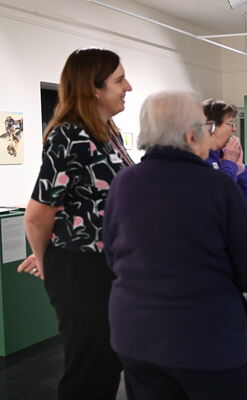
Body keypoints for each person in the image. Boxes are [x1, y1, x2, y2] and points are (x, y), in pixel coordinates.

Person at [102, 91, 247, 400]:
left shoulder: (123, 184)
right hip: (205, 339)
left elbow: (113, 258)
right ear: (191, 134)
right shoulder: (217, 186)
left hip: (135, 337)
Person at [17, 48, 133, 399]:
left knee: (109, 363)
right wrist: (45, 260)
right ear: (94, 89)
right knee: (90, 370)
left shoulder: (108, 132)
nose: (129, 86)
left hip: (110, 266)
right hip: (83, 271)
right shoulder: (71, 136)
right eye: (119, 79)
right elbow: (38, 214)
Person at [202, 98, 247, 203]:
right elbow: (220, 199)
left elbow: (246, 197)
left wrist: (240, 169)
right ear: (211, 127)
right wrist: (229, 162)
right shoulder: (199, 159)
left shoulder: (221, 156)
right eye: (230, 123)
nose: (234, 129)